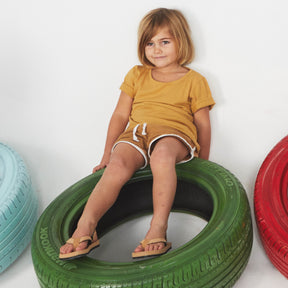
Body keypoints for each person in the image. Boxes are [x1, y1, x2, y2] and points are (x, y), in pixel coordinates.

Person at [59, 7, 215, 260]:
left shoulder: (194, 80)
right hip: (137, 134)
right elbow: (120, 115)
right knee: (118, 164)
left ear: (181, 41)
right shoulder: (137, 74)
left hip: (174, 135)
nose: (156, 49)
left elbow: (204, 125)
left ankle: (158, 228)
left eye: (165, 41)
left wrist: (205, 164)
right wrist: (106, 155)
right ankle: (86, 227)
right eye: (149, 43)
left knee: (161, 156)